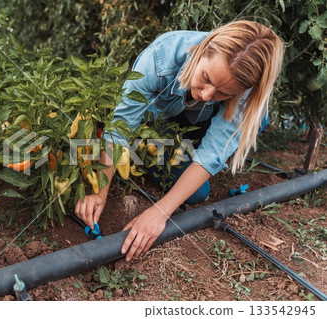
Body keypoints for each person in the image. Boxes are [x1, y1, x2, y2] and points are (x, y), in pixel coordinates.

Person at [74, 20, 284, 261]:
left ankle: (184, 148)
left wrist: (159, 213)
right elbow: (120, 129)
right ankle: (151, 151)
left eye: (223, 93)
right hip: (166, 123)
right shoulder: (159, 59)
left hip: (200, 123)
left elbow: (211, 154)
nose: (206, 95)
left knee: (260, 117)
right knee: (197, 193)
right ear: (203, 49)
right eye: (206, 77)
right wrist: (99, 192)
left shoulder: (247, 92)